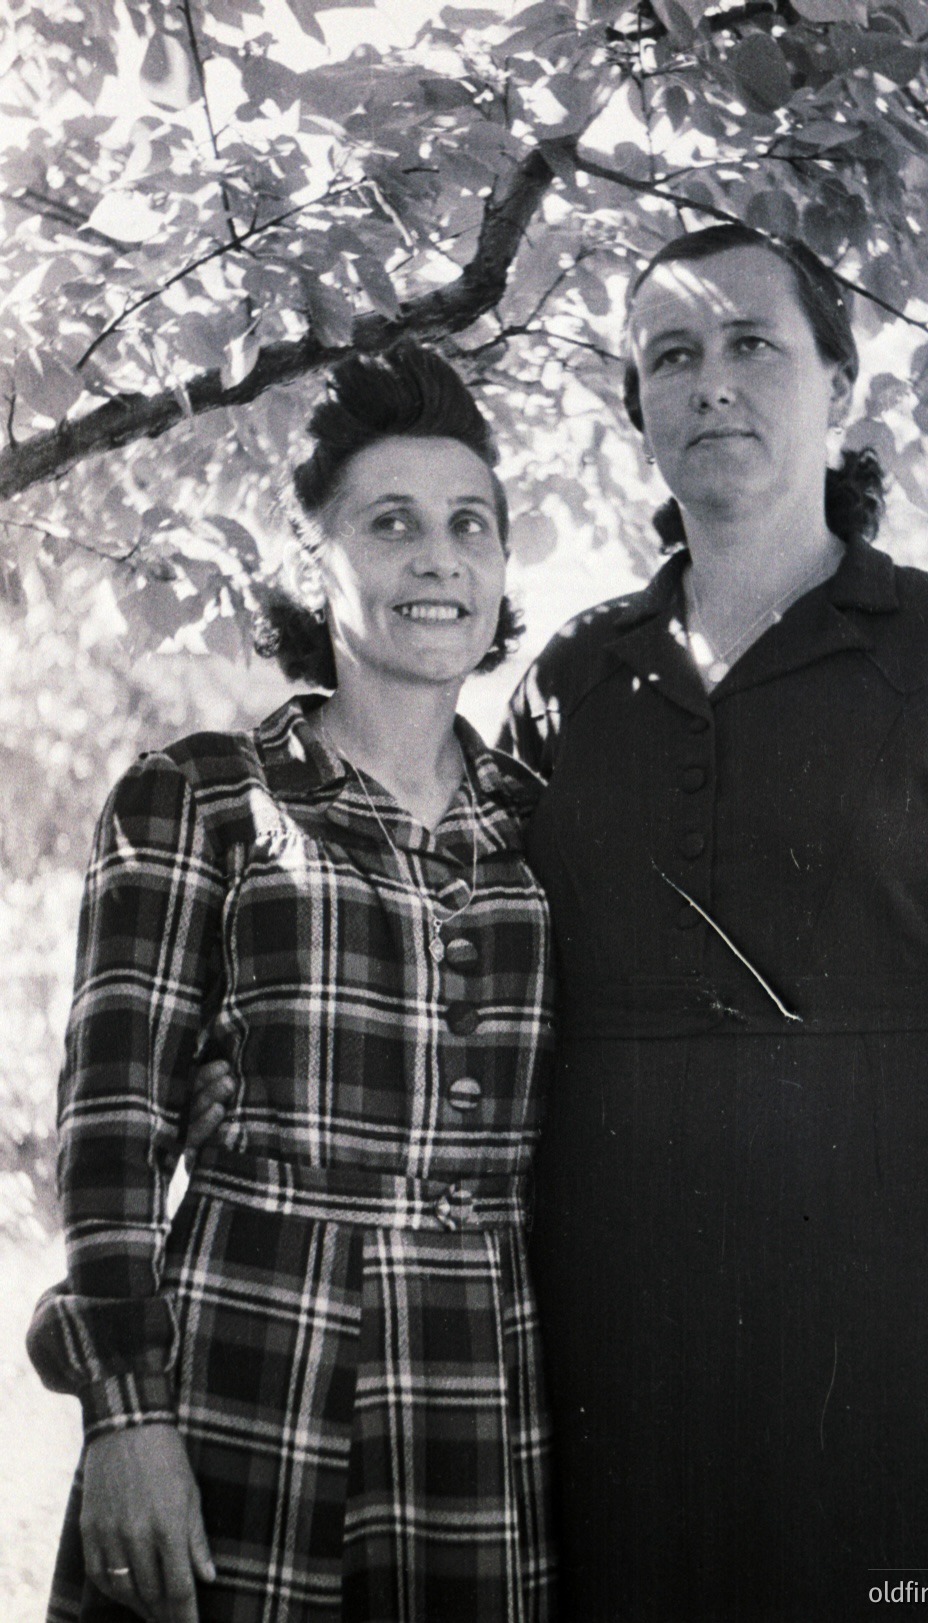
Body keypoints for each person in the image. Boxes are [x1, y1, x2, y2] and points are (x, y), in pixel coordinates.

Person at [495, 225, 928, 1620]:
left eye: (750, 343)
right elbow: (468, 962)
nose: (710, 384)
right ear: (634, 408)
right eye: (669, 356)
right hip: (623, 1322)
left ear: (841, 382)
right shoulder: (571, 681)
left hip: (912, 1312)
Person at [27, 341, 557, 1623]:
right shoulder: (202, 795)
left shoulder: (550, 832)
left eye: (469, 525)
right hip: (246, 1352)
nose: (439, 557)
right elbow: (109, 1140)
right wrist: (126, 1419)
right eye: (391, 523)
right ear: (314, 565)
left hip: (479, 1382)